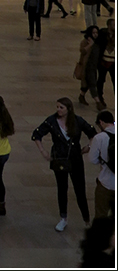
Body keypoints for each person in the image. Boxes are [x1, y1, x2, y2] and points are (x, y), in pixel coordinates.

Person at [31, 96, 97, 231]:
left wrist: (88, 147)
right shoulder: (51, 121)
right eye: (57, 107)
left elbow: (92, 133)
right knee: (62, 188)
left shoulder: (77, 121)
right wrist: (43, 151)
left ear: (68, 109)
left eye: (61, 107)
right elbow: (37, 134)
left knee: (80, 189)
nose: (58, 110)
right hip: (59, 158)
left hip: (75, 158)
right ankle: (63, 218)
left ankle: (86, 219)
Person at [88, 109, 115, 218]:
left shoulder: (100, 138)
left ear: (101, 122)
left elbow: (92, 159)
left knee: (101, 215)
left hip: (106, 182)